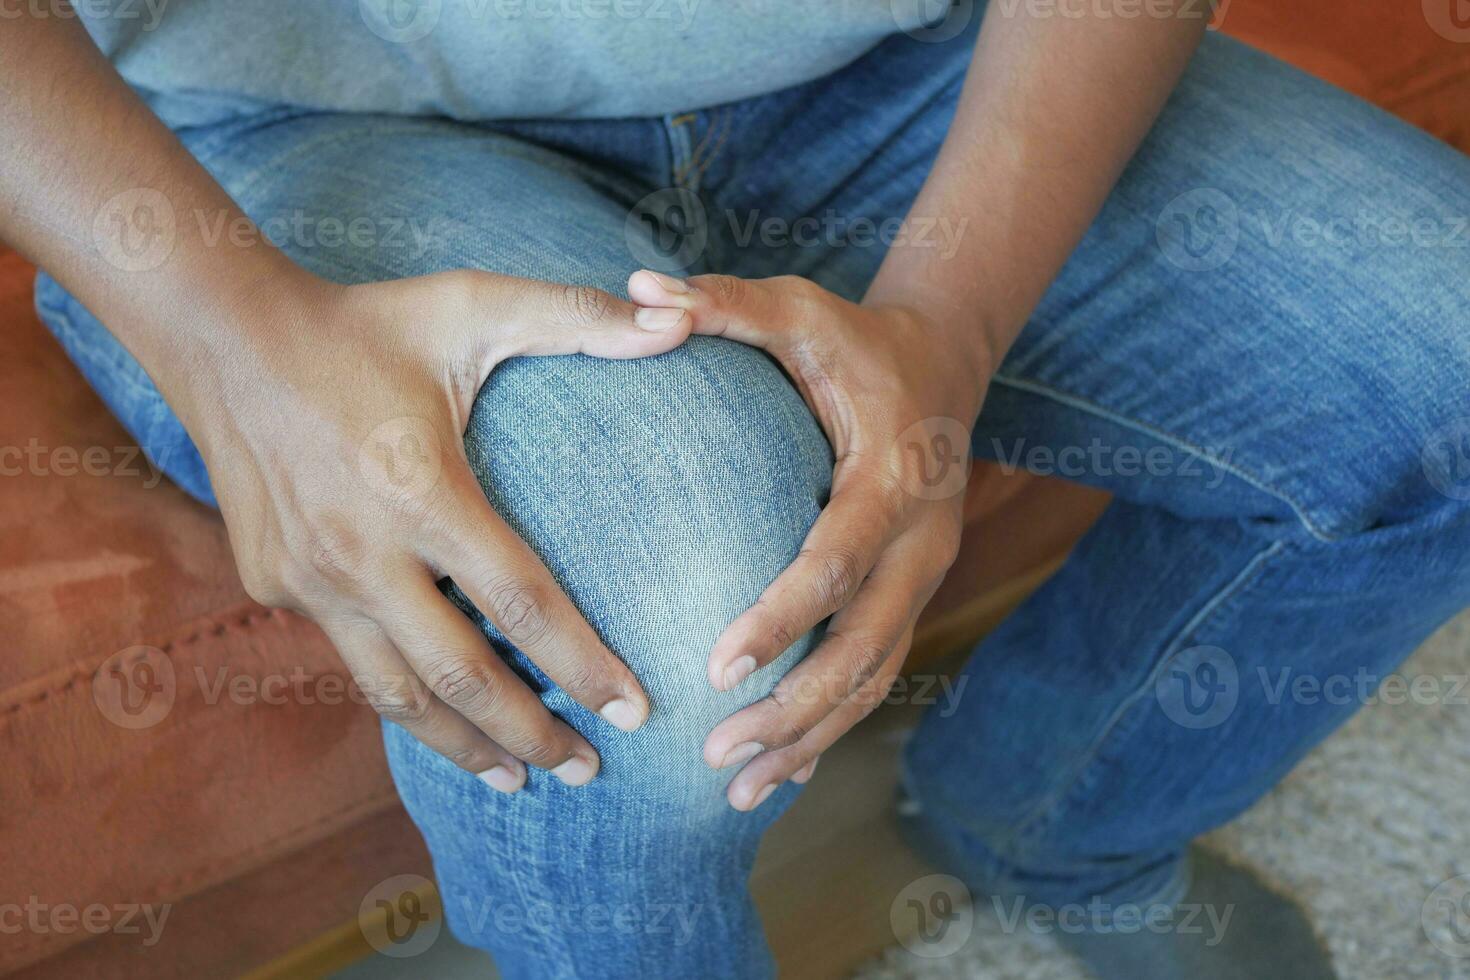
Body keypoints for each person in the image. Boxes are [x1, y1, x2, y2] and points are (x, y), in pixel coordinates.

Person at [4, 1, 1467, 976]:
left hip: (893, 57)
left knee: (1448, 373)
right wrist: (235, 340)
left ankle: (1049, 819)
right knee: (671, 610)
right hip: (256, 127)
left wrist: (946, 335)